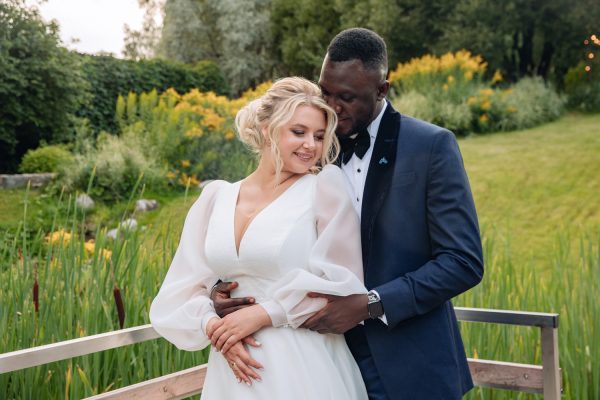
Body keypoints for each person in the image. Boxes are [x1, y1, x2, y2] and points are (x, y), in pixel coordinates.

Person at [212, 28, 484, 399]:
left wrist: (372, 304)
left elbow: (462, 261)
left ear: (382, 90)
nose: (332, 107)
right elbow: (271, 229)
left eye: (347, 98)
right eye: (325, 92)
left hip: (411, 363)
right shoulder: (312, 148)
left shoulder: (430, 147)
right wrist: (227, 288)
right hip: (323, 363)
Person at [149, 76, 369, 399]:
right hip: (232, 370)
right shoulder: (216, 197)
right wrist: (215, 328)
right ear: (268, 129)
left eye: (320, 136)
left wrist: (264, 313)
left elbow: (344, 283)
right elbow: (181, 288)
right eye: (299, 132)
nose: (311, 145)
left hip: (302, 365)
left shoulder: (324, 188)